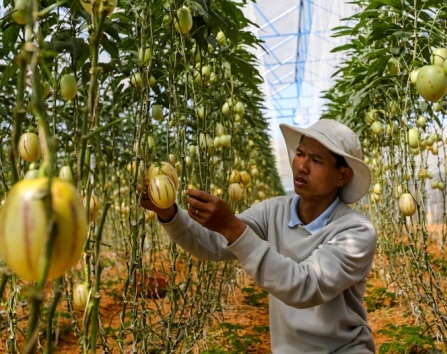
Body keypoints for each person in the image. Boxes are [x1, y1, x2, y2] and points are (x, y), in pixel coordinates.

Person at [140, 119, 377, 353]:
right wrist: (170, 213)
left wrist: (233, 227)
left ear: (342, 176)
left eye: (316, 160)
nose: (302, 166)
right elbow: (212, 245)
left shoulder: (356, 231)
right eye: (300, 154)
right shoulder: (273, 211)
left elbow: (305, 286)